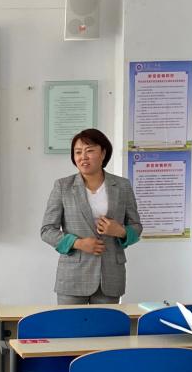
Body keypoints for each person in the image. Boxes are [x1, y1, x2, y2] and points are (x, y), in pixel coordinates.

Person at [41, 128, 143, 304]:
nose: (83, 157)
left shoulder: (122, 186)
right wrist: (78, 243)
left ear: (103, 153)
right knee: (71, 323)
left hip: (110, 276)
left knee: (106, 323)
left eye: (89, 151)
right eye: (78, 152)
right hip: (73, 276)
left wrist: (120, 231)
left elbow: (136, 227)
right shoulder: (63, 186)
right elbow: (47, 230)